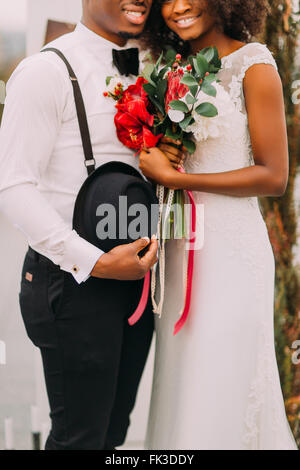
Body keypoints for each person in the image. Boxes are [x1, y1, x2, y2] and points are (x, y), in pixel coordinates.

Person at [0, 0, 163, 450]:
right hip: (72, 282)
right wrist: (94, 262)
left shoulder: (153, 70)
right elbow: (13, 187)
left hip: (136, 282)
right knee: (79, 440)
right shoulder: (44, 72)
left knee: (112, 432)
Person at [139, 0, 298, 450]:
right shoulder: (169, 70)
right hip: (181, 251)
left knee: (223, 378)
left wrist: (173, 175)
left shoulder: (254, 64)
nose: (179, 7)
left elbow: (274, 176)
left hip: (232, 254)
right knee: (184, 382)